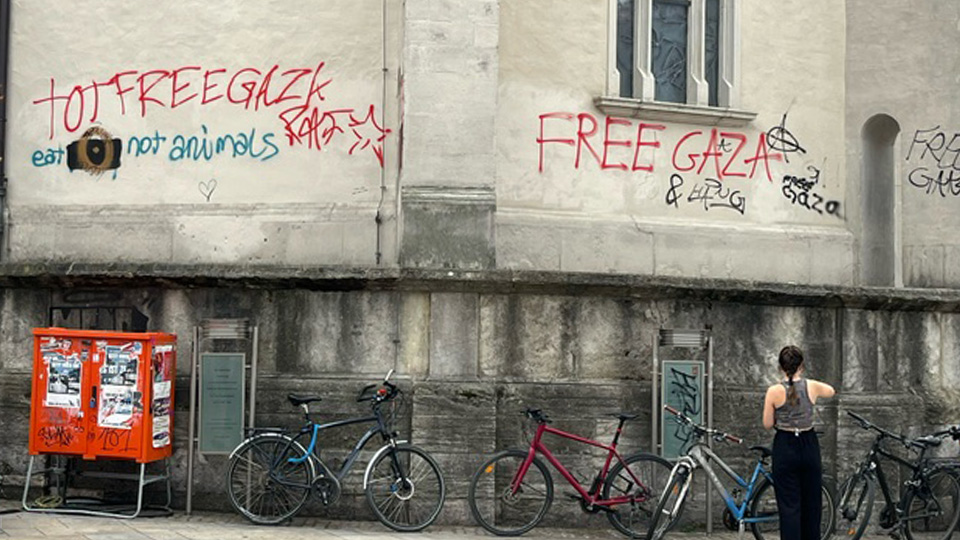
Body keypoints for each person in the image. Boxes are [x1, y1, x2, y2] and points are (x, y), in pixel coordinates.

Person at [762, 345, 836, 540]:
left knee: (789, 505)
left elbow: (767, 424)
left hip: (785, 444)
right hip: (808, 443)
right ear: (801, 365)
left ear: (780, 366)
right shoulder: (811, 386)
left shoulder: (774, 391)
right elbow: (831, 391)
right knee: (812, 503)